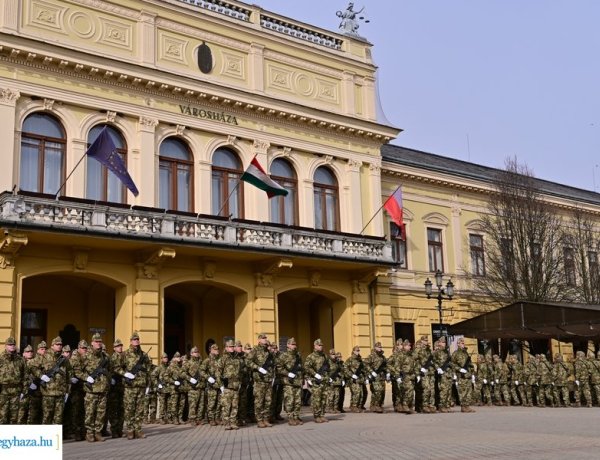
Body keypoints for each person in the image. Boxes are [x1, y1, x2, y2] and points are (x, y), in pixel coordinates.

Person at [117, 331, 150, 439]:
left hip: (141, 386)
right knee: (129, 409)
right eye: (134, 340)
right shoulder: (125, 354)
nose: (136, 341)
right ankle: (130, 430)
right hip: (129, 387)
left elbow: (148, 369)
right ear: (130, 341)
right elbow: (117, 368)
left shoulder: (143, 354)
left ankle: (138, 430)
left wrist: (148, 385)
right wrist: (125, 373)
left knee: (140, 410)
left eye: (137, 339)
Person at [82, 333, 111, 442]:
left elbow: (109, 370)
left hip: (103, 389)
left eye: (100, 342)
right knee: (90, 412)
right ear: (92, 343)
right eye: (96, 342)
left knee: (101, 412)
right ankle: (89, 433)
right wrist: (86, 377)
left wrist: (108, 380)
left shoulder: (105, 356)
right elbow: (77, 371)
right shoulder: (86, 356)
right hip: (91, 390)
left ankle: (98, 432)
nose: (99, 343)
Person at [40, 336, 71, 424]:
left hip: (60, 393)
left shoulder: (64, 359)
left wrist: (67, 391)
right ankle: (46, 437)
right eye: (57, 344)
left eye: (61, 344)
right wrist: (41, 376)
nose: (59, 346)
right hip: (48, 392)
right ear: (52, 345)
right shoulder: (45, 356)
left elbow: (68, 375)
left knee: (58, 418)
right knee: (47, 417)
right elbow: (32, 367)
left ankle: (55, 437)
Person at [247, 333, 274, 428]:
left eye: (265, 338)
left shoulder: (268, 351)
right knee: (259, 401)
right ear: (259, 340)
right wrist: (258, 368)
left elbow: (272, 364)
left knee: (268, 401)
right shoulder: (255, 350)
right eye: (263, 338)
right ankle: (259, 420)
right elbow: (248, 361)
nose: (265, 339)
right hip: (259, 381)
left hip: (268, 380)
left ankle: (266, 419)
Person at [218, 339, 243, 430]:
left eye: (233, 346)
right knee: (226, 405)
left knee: (235, 405)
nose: (231, 348)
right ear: (226, 348)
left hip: (236, 385)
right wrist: (220, 385)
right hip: (227, 385)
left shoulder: (237, 359)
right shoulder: (223, 359)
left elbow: (240, 372)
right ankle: (226, 422)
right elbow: (218, 373)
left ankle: (233, 422)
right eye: (229, 347)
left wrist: (239, 382)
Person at [278, 337, 303, 425]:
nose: (294, 346)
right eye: (292, 344)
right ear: (288, 345)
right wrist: (287, 374)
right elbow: (279, 368)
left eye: (295, 344)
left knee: (297, 401)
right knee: (290, 400)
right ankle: (290, 418)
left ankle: (296, 417)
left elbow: (301, 368)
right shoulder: (283, 355)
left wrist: (303, 379)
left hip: (297, 381)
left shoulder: (298, 355)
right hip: (288, 382)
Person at [0, 337, 25, 424]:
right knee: (2, 416)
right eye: (10, 345)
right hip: (3, 391)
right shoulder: (1, 358)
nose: (12, 346)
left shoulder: (20, 359)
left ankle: (11, 437)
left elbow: (25, 375)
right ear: (5, 346)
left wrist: (24, 390)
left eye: (13, 344)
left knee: (14, 417)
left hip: (16, 391)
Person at [304, 338, 330, 423]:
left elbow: (328, 367)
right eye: (319, 345)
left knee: (323, 399)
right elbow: (307, 367)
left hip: (324, 381)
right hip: (316, 381)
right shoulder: (311, 356)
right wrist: (314, 374)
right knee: (317, 399)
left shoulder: (324, 356)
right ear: (315, 346)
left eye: (321, 345)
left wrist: (328, 376)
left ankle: (322, 415)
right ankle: (317, 416)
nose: (321, 347)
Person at [69, 339, 89, 441]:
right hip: (76, 388)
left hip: (85, 387)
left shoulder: (88, 357)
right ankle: (77, 432)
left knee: (85, 411)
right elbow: (75, 372)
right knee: (76, 411)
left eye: (85, 348)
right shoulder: (74, 358)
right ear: (78, 348)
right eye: (82, 348)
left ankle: (84, 432)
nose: (84, 350)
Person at [451, 337, 475, 413]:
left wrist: (473, 373)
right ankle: (463, 406)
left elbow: (470, 364)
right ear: (458, 344)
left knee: (469, 391)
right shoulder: (455, 353)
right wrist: (459, 369)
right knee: (463, 391)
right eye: (461, 343)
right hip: (461, 375)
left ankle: (467, 406)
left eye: (463, 343)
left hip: (468, 375)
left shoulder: (466, 353)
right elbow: (452, 364)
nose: (463, 344)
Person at [107, 338, 124, 438]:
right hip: (114, 387)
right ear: (114, 348)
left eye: (121, 345)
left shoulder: (124, 357)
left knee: (122, 409)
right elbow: (109, 371)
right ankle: (114, 430)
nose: (120, 347)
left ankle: (120, 430)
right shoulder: (112, 358)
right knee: (113, 409)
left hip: (122, 386)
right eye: (118, 346)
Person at [184, 346, 205, 426]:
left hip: (201, 386)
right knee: (193, 404)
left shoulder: (201, 362)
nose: (197, 353)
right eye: (195, 352)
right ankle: (192, 419)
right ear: (191, 354)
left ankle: (199, 419)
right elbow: (182, 373)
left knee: (201, 404)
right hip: (193, 387)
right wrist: (190, 379)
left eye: (197, 352)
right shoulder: (188, 363)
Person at [27, 340, 47, 424]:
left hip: (46, 391)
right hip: (35, 391)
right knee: (33, 413)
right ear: (38, 350)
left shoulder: (49, 362)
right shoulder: (32, 362)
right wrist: (30, 384)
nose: (44, 350)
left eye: (45, 349)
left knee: (44, 414)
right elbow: (25, 375)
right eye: (42, 349)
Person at [202, 343, 221, 426]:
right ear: (211, 350)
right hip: (212, 385)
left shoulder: (220, 360)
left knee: (219, 402)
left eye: (218, 349)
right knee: (211, 403)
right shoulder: (207, 360)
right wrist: (208, 377)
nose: (217, 351)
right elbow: (201, 371)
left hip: (219, 384)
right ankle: (211, 419)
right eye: (215, 349)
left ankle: (217, 418)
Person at [432, 336, 453, 413]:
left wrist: (452, 371)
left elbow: (450, 361)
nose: (444, 344)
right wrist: (438, 368)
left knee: (448, 390)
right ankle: (442, 406)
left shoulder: (447, 352)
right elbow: (433, 361)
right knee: (443, 390)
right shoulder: (437, 352)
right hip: (442, 373)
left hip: (448, 373)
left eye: (445, 342)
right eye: (442, 342)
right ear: (439, 343)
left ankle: (447, 405)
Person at [364, 342, 386, 413]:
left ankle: (375, 405)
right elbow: (365, 364)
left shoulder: (383, 357)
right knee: (377, 391)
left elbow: (386, 366)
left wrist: (387, 374)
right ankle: (376, 406)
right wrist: (371, 372)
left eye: (380, 347)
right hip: (375, 377)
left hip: (382, 377)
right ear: (375, 348)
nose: (380, 348)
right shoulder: (371, 356)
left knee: (382, 391)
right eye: (378, 347)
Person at [344, 346, 366, 413]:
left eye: (359, 350)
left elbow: (363, 369)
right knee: (356, 393)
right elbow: (345, 368)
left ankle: (358, 406)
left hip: (360, 379)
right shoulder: (350, 359)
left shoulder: (360, 360)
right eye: (356, 350)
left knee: (361, 393)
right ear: (353, 351)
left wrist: (365, 377)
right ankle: (354, 406)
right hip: (353, 380)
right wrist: (351, 375)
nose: (358, 352)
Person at [17, 344, 35, 425]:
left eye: (31, 351)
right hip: (23, 392)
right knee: (21, 414)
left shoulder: (35, 363)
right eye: (27, 352)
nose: (30, 353)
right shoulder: (20, 363)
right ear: (23, 353)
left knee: (31, 415)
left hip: (33, 392)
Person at [156, 352, 170, 424]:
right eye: (164, 358)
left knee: (168, 403)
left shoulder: (169, 367)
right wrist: (157, 384)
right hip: (162, 388)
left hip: (169, 388)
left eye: (166, 357)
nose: (166, 359)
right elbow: (153, 376)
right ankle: (161, 418)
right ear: (161, 359)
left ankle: (166, 417)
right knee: (162, 404)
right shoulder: (159, 368)